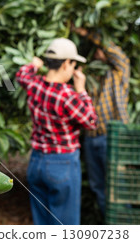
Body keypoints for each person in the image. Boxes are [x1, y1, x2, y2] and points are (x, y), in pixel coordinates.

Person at [16, 38, 98, 225]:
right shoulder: (68, 96)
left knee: (42, 224)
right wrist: (82, 90)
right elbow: (91, 121)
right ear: (66, 63)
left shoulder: (34, 85)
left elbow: (22, 74)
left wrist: (34, 64)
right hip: (62, 164)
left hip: (36, 162)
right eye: (73, 64)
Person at [71, 25, 130, 217]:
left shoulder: (118, 73)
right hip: (90, 139)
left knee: (118, 187)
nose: (98, 52)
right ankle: (112, 225)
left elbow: (113, 51)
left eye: (100, 50)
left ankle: (127, 227)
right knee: (98, 187)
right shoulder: (89, 78)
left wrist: (85, 33)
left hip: (112, 138)